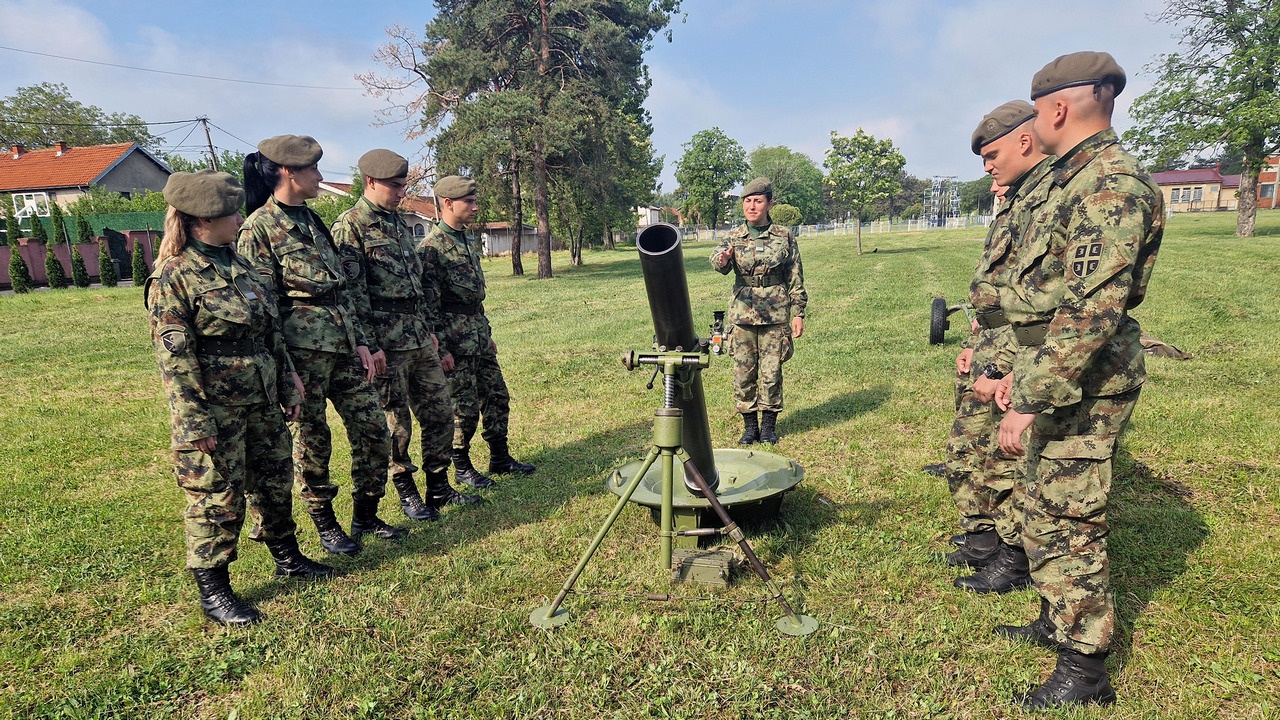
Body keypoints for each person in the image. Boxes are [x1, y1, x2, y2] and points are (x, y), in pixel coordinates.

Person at [995, 51, 1163, 709]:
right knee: (1041, 501)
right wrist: (1021, 370)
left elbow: (1090, 314)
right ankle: (1056, 616)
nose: (1035, 125)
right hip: (1057, 373)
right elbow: (1044, 292)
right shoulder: (1072, 180)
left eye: (1037, 113)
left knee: (1070, 518)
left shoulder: (1108, 187)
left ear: (1059, 108)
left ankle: (1085, 669)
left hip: (1086, 384)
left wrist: (1030, 398)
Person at [146, 170, 333, 627]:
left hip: (263, 398)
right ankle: (216, 591)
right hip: (216, 407)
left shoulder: (240, 265)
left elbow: (272, 335)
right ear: (198, 221)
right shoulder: (174, 276)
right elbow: (175, 359)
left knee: (273, 479)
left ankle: (288, 558)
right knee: (216, 494)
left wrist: (288, 384)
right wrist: (194, 422)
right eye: (228, 213)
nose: (237, 218)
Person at [238, 135, 405, 556]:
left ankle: (366, 514)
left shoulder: (312, 221)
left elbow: (343, 289)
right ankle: (325, 523)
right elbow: (264, 310)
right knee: (313, 442)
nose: (319, 176)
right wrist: (284, 369)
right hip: (301, 355)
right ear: (288, 172)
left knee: (373, 431)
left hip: (344, 348)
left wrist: (363, 343)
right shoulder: (258, 228)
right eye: (313, 169)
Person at [943, 101, 1055, 600]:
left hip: (1021, 349)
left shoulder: (1048, 202)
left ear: (1024, 141)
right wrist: (975, 342)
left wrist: (1000, 364)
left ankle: (1008, 552)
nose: (988, 170)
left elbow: (1034, 306)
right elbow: (995, 291)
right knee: (974, 445)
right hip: (993, 338)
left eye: (991, 156)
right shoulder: (1017, 204)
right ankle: (985, 534)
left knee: (1006, 456)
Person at [331, 151, 482, 517]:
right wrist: (368, 343)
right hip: (386, 342)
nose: (402, 193)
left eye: (404, 186)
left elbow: (418, 287)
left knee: (441, 414)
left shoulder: (399, 225)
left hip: (417, 335)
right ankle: (406, 490)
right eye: (395, 186)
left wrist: (430, 332)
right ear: (370, 182)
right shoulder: (349, 227)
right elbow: (352, 293)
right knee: (396, 422)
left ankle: (439, 486)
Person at [420, 175, 536, 489]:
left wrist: (487, 334)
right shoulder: (431, 248)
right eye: (468, 202)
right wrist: (442, 349)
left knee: (497, 396)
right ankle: (462, 466)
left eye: (474, 200)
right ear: (447, 204)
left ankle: (499, 457)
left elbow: (474, 298)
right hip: (454, 343)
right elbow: (428, 307)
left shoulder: (465, 240)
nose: (474, 207)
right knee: (464, 408)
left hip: (477, 337)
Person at [710, 178, 807, 444]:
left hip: (775, 313)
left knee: (771, 371)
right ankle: (750, 426)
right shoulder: (733, 236)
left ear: (769, 203)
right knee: (743, 372)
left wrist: (798, 312)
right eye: (747, 201)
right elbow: (718, 262)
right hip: (742, 313)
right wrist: (723, 259)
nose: (752, 206)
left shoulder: (783, 236)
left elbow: (795, 276)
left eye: (758, 201)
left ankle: (768, 427)